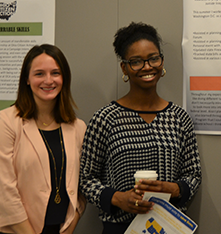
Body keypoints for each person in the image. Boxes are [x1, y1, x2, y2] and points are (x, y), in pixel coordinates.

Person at [79, 22, 202, 234]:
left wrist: (173, 189)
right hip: (120, 228)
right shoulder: (106, 119)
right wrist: (118, 198)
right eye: (136, 62)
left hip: (168, 227)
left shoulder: (179, 118)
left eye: (153, 58)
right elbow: (85, 179)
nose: (147, 67)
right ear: (124, 67)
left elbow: (193, 174)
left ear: (162, 62)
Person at [0, 44, 87, 234]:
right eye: (39, 74)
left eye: (55, 73)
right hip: (13, 230)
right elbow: (3, 192)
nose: (48, 80)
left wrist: (70, 226)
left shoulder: (78, 127)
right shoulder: (6, 122)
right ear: (27, 80)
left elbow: (82, 186)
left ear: (64, 78)